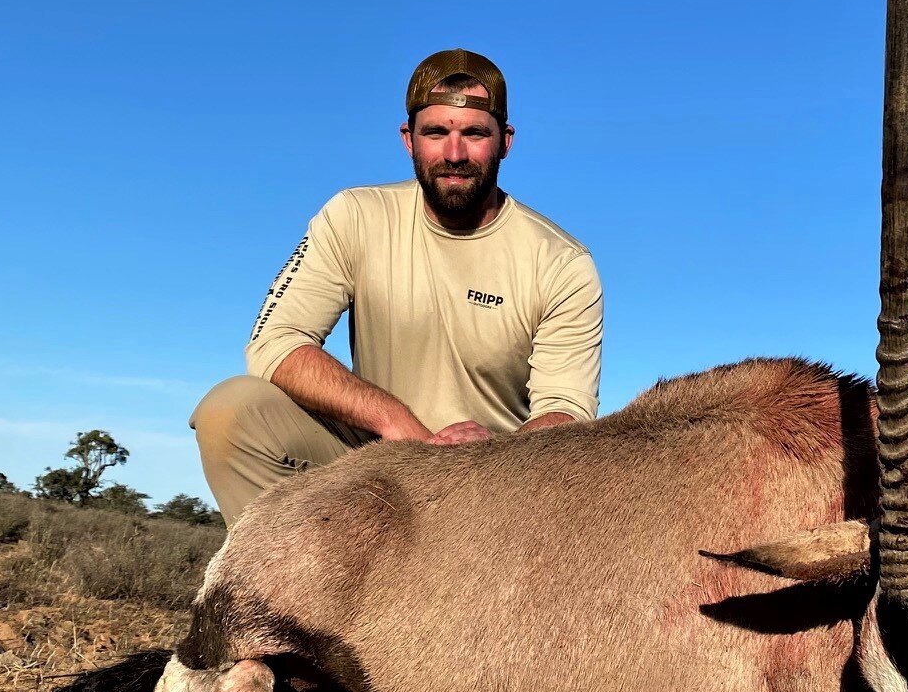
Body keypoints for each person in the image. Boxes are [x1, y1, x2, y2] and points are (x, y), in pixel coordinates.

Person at [191, 49, 602, 523]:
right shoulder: (354, 215)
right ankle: (278, 591)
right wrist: (397, 425)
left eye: (474, 133)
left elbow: (566, 411)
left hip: (492, 483)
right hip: (371, 457)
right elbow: (276, 342)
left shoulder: (563, 262)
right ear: (408, 139)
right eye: (436, 132)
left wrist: (491, 458)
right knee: (231, 414)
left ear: (505, 142)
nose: (454, 153)